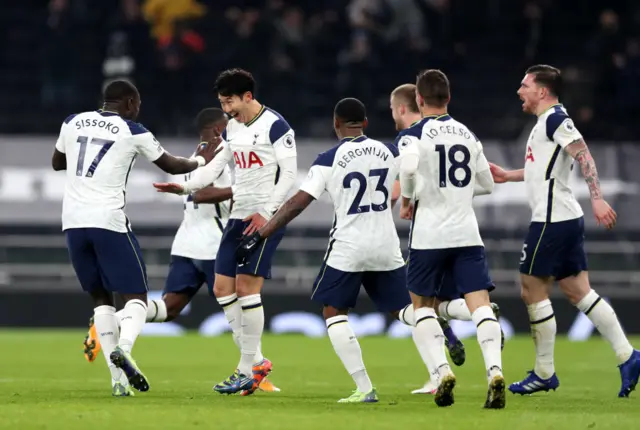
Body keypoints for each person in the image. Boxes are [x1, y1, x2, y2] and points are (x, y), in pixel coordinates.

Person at [236, 97, 433, 403]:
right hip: (386, 245)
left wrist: (261, 234)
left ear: (335, 123)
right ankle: (438, 341)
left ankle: (365, 388)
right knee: (407, 310)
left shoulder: (328, 159)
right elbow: (413, 180)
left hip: (349, 247)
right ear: (365, 123)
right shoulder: (390, 150)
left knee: (333, 311)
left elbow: (297, 203)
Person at [52, 80, 218, 396]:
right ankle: (125, 348)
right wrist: (200, 160)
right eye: (137, 104)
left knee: (101, 299)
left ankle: (117, 382)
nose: (138, 109)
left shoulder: (72, 122)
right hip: (108, 222)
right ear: (129, 102)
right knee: (136, 299)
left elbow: (57, 163)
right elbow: (172, 166)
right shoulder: (132, 129)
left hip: (72, 223)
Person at [490, 64, 640, 398]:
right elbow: (542, 172)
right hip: (563, 218)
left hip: (551, 220)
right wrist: (507, 175)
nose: (520, 91)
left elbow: (583, 155)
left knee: (531, 288)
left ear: (542, 91)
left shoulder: (557, 119)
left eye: (525, 85)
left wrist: (598, 200)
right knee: (578, 290)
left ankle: (544, 372)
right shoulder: (546, 123)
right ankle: (628, 356)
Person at [153, 69, 297, 396]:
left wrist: (268, 214)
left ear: (247, 96)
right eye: (221, 102)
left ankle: (248, 367)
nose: (226, 109)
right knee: (221, 288)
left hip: (264, 219)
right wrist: (183, 187)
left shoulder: (276, 125)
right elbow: (216, 169)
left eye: (229, 101)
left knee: (247, 289)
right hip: (238, 217)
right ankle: (254, 363)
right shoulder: (233, 127)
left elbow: (289, 175)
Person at [397, 70, 504, 409]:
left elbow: (410, 168)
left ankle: (442, 371)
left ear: (418, 99)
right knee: (480, 304)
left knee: (422, 306)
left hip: (430, 235)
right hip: (466, 234)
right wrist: (459, 192)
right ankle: (495, 373)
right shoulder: (468, 134)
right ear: (448, 97)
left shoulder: (414, 133)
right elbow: (487, 184)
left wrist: (408, 199)